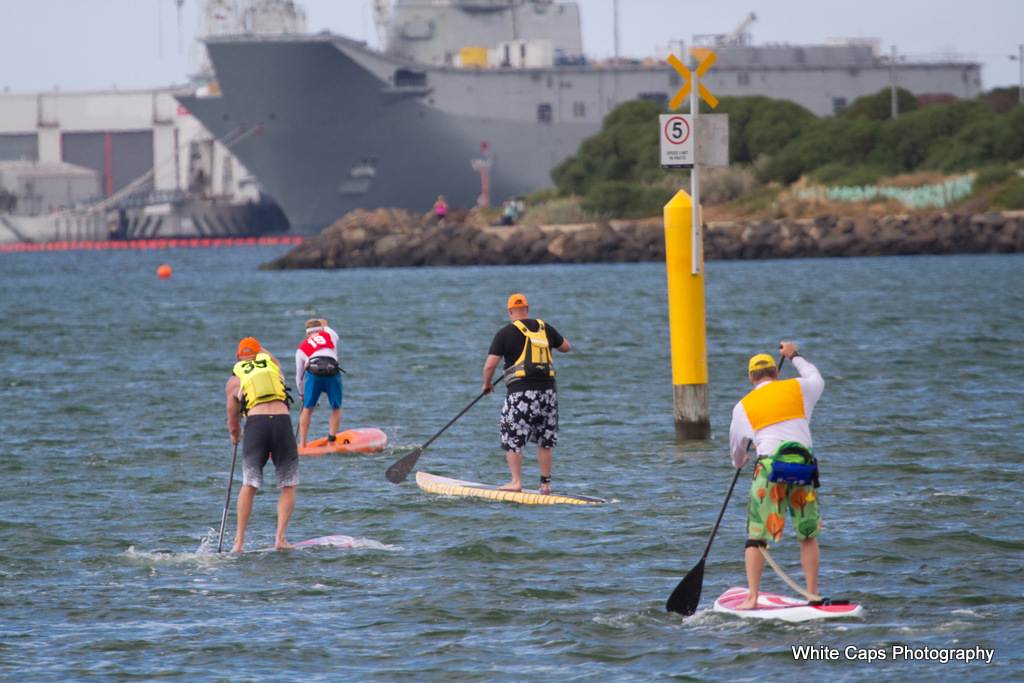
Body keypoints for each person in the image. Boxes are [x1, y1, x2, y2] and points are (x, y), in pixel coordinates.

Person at [728, 341, 825, 609]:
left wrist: (741, 460)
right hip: (803, 470)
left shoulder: (743, 407)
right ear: (776, 373)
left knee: (756, 537)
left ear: (751, 378)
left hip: (769, 471)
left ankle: (752, 598)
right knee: (807, 534)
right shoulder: (799, 387)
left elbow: (736, 453)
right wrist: (794, 355)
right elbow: (816, 377)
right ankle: (812, 594)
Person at [481, 293, 571, 493]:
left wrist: (487, 384)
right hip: (549, 393)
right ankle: (545, 484)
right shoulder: (543, 327)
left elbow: (489, 366)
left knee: (512, 435)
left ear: (510, 311)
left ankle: (516, 482)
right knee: (545, 439)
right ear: (527, 309)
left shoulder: (505, 333)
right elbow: (566, 347)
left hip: (521, 394)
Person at [225, 337, 298, 552]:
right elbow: (270, 357)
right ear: (261, 354)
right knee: (288, 484)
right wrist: (260, 349)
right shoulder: (274, 368)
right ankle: (280, 539)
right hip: (282, 423)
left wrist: (235, 433)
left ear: (238, 357)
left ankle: (238, 542)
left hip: (256, 425)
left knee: (250, 484)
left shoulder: (234, 380)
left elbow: (232, 410)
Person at [295, 318, 343, 448]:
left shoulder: (301, 348)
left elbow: (299, 376)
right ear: (321, 329)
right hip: (332, 372)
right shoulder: (330, 335)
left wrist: (301, 393)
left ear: (307, 334)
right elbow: (326, 324)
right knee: (336, 407)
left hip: (314, 375)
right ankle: (331, 442)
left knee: (308, 408)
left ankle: (303, 444)